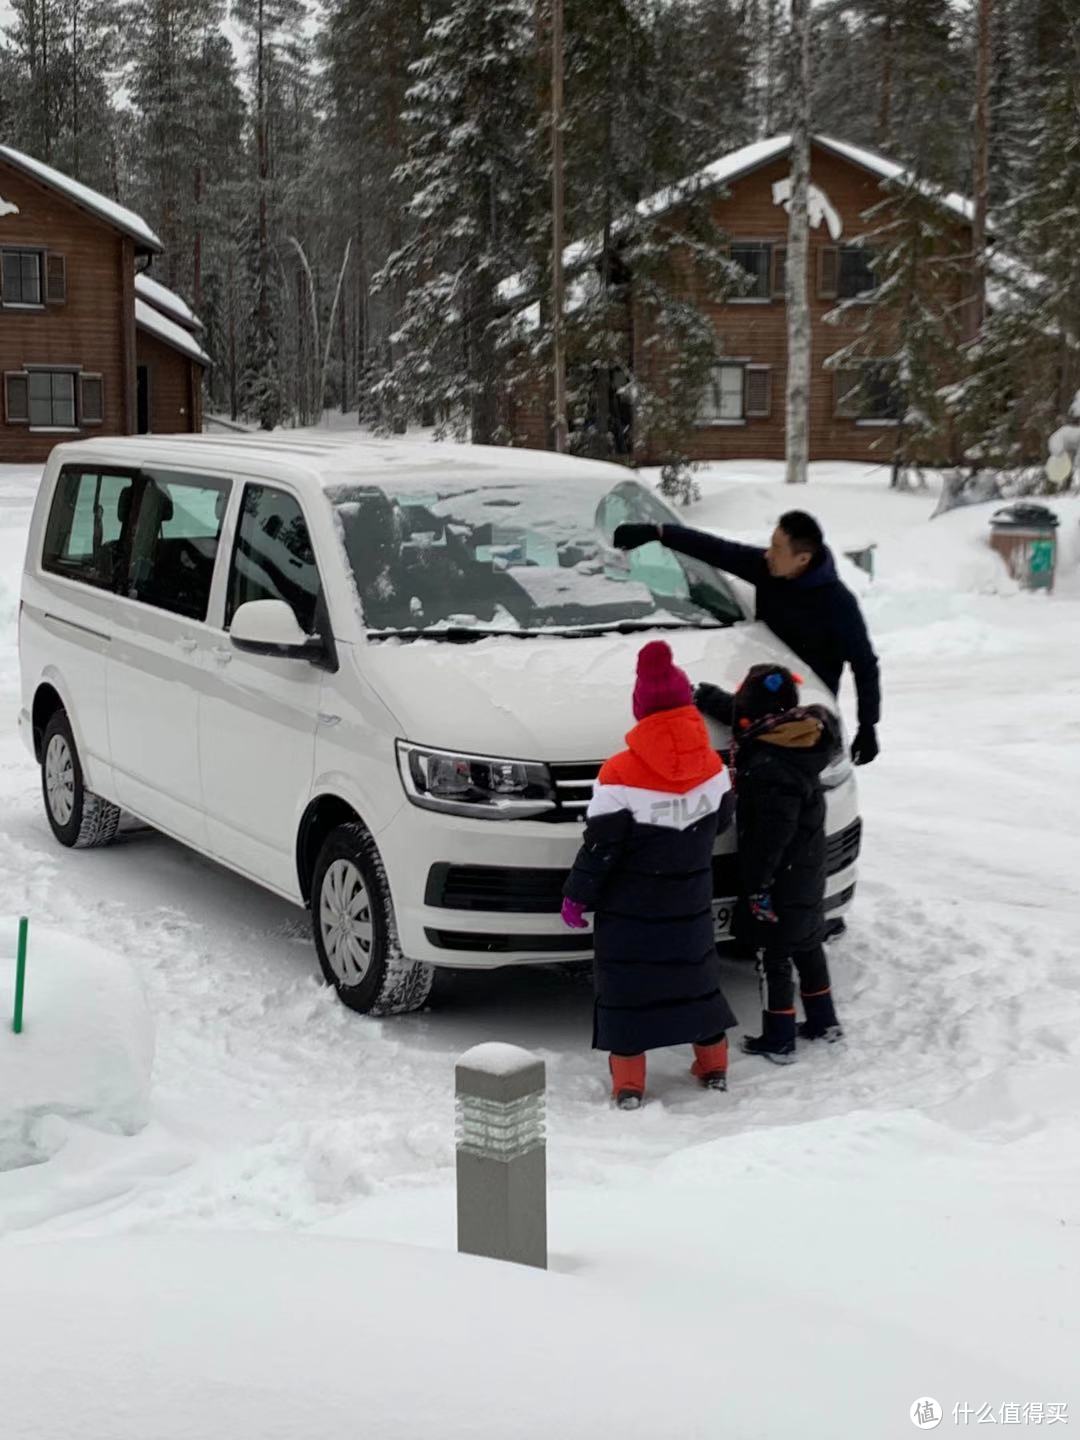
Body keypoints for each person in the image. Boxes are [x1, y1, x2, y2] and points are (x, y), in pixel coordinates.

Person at [560, 640, 737, 1109]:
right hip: (691, 898)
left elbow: (600, 847)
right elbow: (721, 823)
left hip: (630, 907)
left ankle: (630, 1085)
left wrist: (577, 897)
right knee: (695, 978)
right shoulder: (714, 767)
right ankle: (714, 1065)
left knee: (627, 989)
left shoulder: (618, 774)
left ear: (641, 710)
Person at [612, 511, 881, 766]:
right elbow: (717, 550)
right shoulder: (768, 569)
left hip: (802, 716)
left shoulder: (838, 604)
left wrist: (867, 726)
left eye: (777, 548)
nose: (767, 554)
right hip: (760, 696)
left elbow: (865, 665)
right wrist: (658, 533)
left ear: (803, 559)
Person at [698, 665, 844, 1064]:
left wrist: (757, 883)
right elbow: (745, 711)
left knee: (773, 954)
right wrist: (708, 697)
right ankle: (823, 1020)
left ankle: (779, 1035)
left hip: (778, 877)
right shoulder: (796, 734)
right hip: (807, 867)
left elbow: (770, 837)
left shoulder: (770, 766)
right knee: (809, 943)